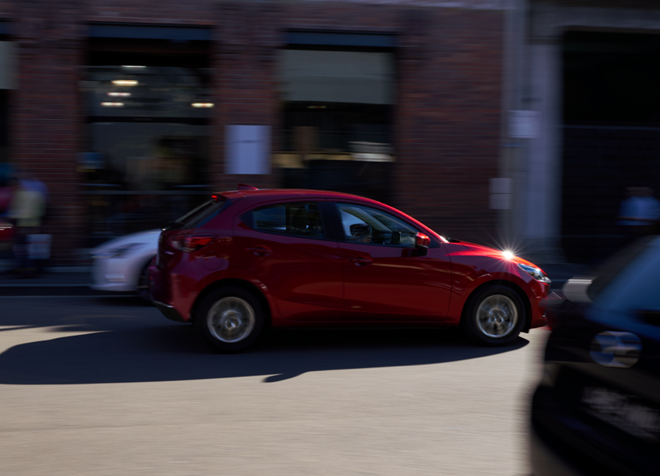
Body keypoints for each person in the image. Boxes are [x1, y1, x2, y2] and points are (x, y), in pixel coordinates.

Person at [8, 172, 47, 277]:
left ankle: (26, 268)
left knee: (21, 246)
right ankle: (34, 268)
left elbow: (17, 211)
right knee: (31, 247)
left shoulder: (20, 194)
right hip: (34, 224)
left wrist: (11, 218)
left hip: (24, 224)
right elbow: (41, 208)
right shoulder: (37, 192)